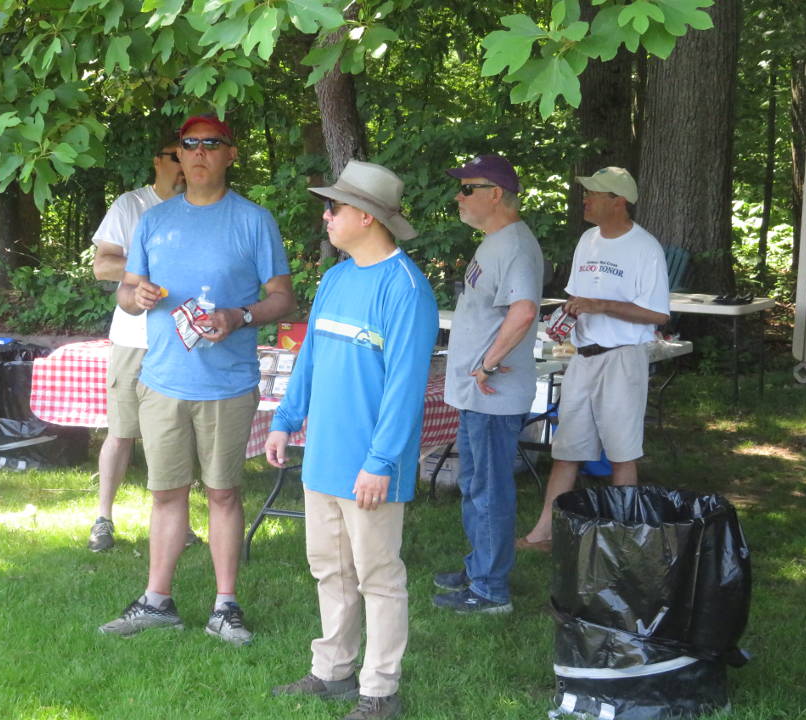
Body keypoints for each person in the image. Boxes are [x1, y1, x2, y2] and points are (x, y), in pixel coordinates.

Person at [99, 114, 296, 644]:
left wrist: (240, 316)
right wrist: (133, 297)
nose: (200, 152)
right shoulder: (155, 221)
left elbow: (284, 297)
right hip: (161, 380)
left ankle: (225, 605)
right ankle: (156, 600)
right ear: (179, 157)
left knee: (223, 494)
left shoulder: (254, 220)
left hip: (227, 384)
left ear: (231, 155)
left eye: (212, 144)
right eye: (190, 145)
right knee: (165, 494)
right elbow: (126, 291)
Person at [265, 161, 438, 720]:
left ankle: (380, 690)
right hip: (323, 457)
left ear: (366, 216)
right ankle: (333, 670)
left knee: (378, 576)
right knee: (329, 567)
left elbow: (406, 389)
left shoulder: (406, 289)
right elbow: (309, 358)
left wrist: (381, 461)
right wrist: (285, 419)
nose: (326, 215)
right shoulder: (337, 278)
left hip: (370, 466)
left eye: (334, 207)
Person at [518, 166, 670, 551]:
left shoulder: (645, 248)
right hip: (581, 359)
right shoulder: (588, 240)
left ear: (618, 201)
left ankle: (623, 539)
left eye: (594, 194)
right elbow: (578, 298)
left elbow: (658, 315)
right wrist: (566, 318)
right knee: (567, 449)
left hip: (621, 360)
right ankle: (544, 533)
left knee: (622, 452)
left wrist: (601, 305)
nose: (584, 200)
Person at [432, 154, 543, 614]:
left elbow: (524, 310)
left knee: (490, 489)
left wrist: (488, 365)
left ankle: (491, 589)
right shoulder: (495, 242)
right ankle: (480, 567)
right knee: (475, 483)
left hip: (493, 394)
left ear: (495, 194)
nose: (459, 196)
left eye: (467, 188)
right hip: (478, 394)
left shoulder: (516, 245)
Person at [88, 139, 197, 553]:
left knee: (176, 434)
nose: (183, 164)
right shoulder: (131, 205)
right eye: (175, 157)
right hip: (135, 338)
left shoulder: (201, 208)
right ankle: (103, 518)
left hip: (183, 338)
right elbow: (103, 264)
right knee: (121, 432)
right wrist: (146, 272)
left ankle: (177, 523)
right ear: (158, 162)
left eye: (188, 156)